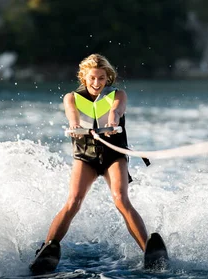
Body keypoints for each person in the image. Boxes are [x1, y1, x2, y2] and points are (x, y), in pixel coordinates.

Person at [39, 54, 150, 254]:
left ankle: (149, 250)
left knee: (121, 199)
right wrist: (74, 125)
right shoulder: (71, 98)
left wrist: (112, 122)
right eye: (92, 78)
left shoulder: (118, 95)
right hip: (85, 157)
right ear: (84, 77)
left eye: (101, 78)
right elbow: (71, 114)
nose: (97, 83)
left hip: (113, 157)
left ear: (108, 78)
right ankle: (47, 248)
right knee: (73, 201)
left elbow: (117, 110)